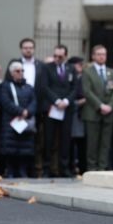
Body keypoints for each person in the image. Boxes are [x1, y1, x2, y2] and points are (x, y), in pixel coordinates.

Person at [11, 38, 47, 176]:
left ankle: (35, 169)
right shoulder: (15, 63)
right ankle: (17, 169)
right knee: (18, 140)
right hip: (18, 109)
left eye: (31, 47)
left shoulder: (40, 65)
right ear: (21, 49)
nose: (28, 50)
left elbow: (43, 86)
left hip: (35, 108)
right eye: (25, 47)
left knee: (36, 141)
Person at [41, 44, 77, 177]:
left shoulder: (71, 68)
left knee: (65, 139)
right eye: (55, 56)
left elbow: (74, 87)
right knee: (49, 138)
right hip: (52, 107)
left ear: (65, 56)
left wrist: (66, 101)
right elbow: (45, 87)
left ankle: (64, 167)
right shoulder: (47, 68)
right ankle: (47, 167)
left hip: (67, 108)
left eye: (60, 56)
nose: (57, 58)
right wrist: (56, 101)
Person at [81, 44, 113, 171]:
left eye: (104, 54)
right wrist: (100, 105)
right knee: (92, 142)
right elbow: (87, 91)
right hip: (93, 112)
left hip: (108, 113)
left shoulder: (111, 72)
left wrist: (110, 106)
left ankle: (102, 167)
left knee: (105, 143)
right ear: (93, 56)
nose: (102, 57)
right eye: (99, 54)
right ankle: (92, 167)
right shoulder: (87, 72)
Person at [0, 61, 37, 178]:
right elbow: (5, 102)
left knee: (24, 149)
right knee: (10, 149)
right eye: (17, 71)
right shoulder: (6, 86)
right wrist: (20, 111)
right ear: (11, 73)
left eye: (22, 71)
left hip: (24, 123)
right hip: (11, 122)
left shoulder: (29, 87)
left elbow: (34, 102)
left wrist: (27, 112)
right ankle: (10, 171)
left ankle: (22, 170)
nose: (20, 73)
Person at [67, 56, 87, 176]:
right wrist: (77, 102)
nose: (80, 67)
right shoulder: (69, 77)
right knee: (70, 143)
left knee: (82, 143)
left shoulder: (84, 77)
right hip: (71, 111)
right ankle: (71, 167)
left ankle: (81, 167)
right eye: (78, 64)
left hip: (83, 114)